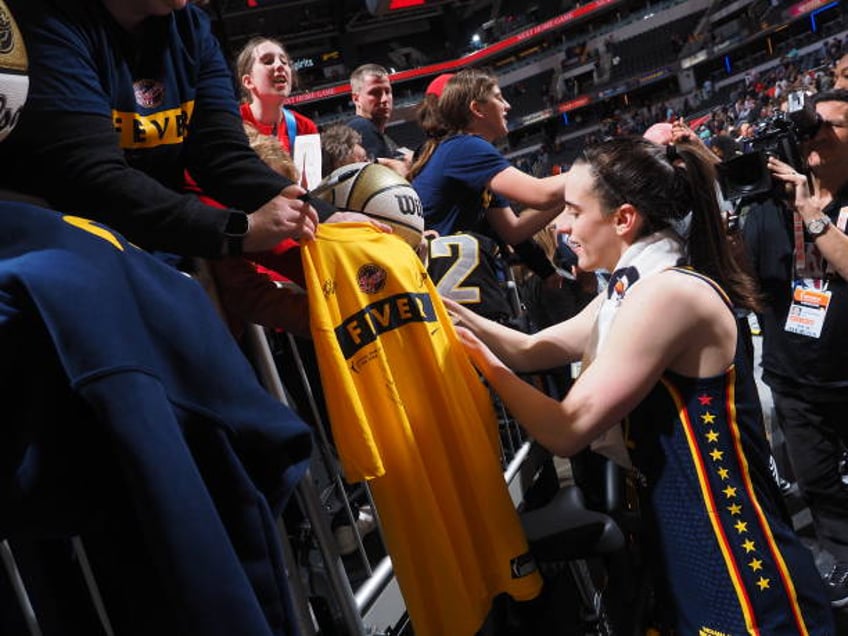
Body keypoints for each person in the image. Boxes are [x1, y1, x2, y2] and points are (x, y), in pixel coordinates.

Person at [447, 136, 834, 633]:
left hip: (730, 544)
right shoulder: (631, 283)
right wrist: (444, 311)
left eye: (571, 210)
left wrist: (482, 363)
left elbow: (567, 429)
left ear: (623, 219)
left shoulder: (665, 293)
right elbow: (533, 348)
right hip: (685, 527)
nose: (560, 226)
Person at [0, 0, 327, 258]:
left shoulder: (193, 29)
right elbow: (91, 178)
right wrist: (237, 229)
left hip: (160, 244)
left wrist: (324, 216)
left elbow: (223, 154)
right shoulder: (46, 20)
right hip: (63, 248)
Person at [743, 89, 848, 608]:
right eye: (813, 125)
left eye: (833, 125)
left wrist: (810, 212)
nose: (818, 134)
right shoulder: (770, 199)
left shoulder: (811, 202)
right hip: (793, 374)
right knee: (816, 478)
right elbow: (744, 274)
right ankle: (845, 559)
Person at [410, 70, 567, 318]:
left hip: (443, 287)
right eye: (498, 97)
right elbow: (540, 194)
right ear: (477, 109)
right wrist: (596, 168)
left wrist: (567, 198)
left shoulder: (457, 150)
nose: (508, 105)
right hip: (446, 289)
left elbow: (512, 230)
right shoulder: (467, 147)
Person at [235, 36, 317, 157]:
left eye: (285, 62)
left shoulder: (305, 128)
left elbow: (310, 176)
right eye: (268, 61)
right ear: (248, 81)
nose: (280, 66)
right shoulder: (232, 125)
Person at [347, 63, 411, 174]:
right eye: (375, 93)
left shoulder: (369, 129)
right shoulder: (362, 127)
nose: (384, 99)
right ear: (356, 99)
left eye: (387, 91)